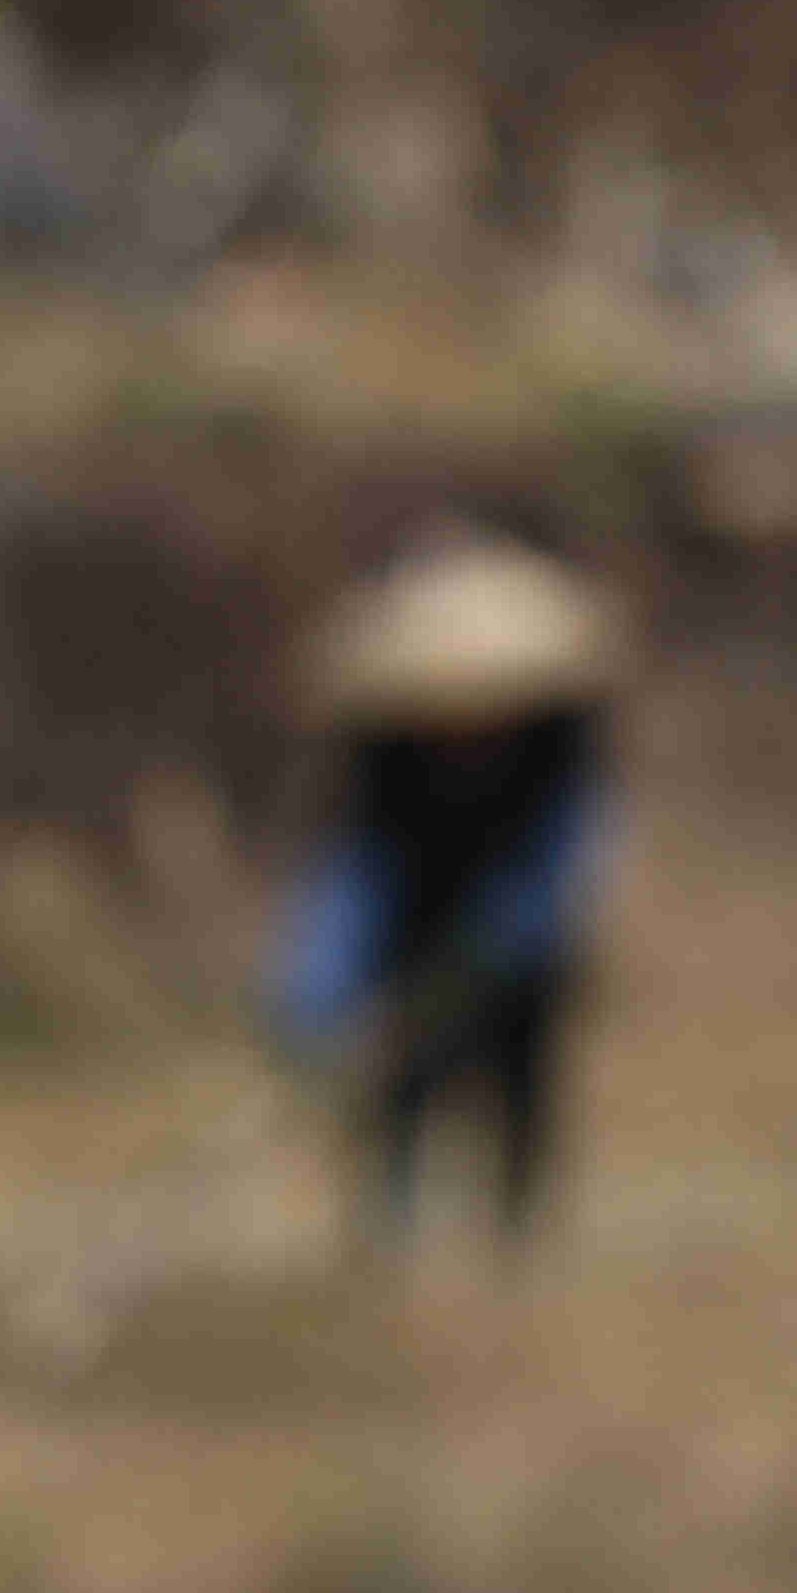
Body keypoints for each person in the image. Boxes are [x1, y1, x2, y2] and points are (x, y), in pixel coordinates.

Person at [272, 531, 619, 1259]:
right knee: (398, 1097)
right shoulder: (389, 766)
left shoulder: (555, 757)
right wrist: (311, 995)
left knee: (521, 1096)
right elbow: (353, 880)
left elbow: (569, 864)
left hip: (519, 960)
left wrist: (510, 940)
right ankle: (387, 1246)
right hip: (417, 943)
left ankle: (519, 1246)